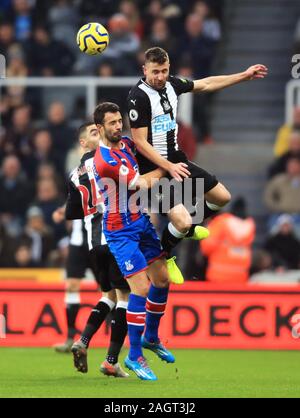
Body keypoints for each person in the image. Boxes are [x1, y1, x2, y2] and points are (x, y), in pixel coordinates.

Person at [127, 47, 268, 282]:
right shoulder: (138, 97)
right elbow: (140, 142)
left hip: (176, 161)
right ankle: (167, 254)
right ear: (145, 69)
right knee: (180, 221)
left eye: (164, 70)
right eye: (155, 72)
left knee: (222, 197)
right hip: (152, 169)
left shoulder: (172, 84)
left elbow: (206, 84)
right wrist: (167, 167)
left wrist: (242, 76)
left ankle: (187, 228)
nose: (160, 76)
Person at [93, 102, 174, 381]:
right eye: (112, 123)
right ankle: (134, 355)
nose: (118, 126)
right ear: (99, 129)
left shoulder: (126, 144)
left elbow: (152, 146)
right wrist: (167, 168)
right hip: (120, 231)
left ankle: (151, 337)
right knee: (140, 287)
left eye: (119, 121)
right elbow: (140, 183)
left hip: (140, 222)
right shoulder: (105, 161)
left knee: (162, 280)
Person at [53, 123, 130, 378]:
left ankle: (82, 341)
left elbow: (74, 211)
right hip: (115, 236)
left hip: (93, 243)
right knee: (126, 298)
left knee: (107, 296)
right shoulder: (107, 162)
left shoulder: (75, 174)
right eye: (94, 133)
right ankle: (111, 361)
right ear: (84, 143)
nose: (100, 134)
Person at [201, 198, 256, 283]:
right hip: (241, 276)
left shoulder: (222, 221)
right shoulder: (250, 225)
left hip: (218, 274)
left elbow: (207, 246)